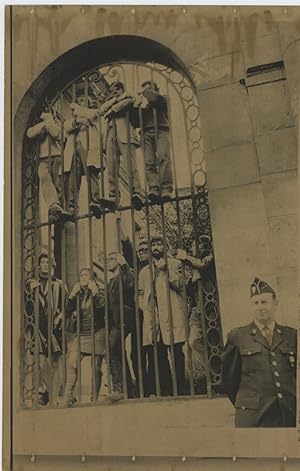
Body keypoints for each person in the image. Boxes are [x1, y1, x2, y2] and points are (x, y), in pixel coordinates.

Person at [222, 277, 297, 428]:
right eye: (256, 303)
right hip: (254, 417)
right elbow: (229, 380)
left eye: (264, 302)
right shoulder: (238, 337)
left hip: (288, 413)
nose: (260, 307)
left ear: (275, 304)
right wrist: (248, 403)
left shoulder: (292, 336)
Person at [138, 234, 187, 396]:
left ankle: (181, 389)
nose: (156, 247)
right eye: (154, 245)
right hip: (154, 317)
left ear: (166, 247)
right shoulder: (145, 271)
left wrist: (166, 271)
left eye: (160, 244)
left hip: (172, 315)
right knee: (158, 355)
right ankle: (165, 390)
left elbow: (181, 285)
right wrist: (143, 306)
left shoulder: (175, 264)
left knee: (177, 354)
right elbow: (140, 293)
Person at [27, 252, 66, 406]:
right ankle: (51, 393)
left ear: (52, 265)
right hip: (38, 328)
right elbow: (27, 306)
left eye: (47, 262)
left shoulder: (58, 283)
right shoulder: (31, 283)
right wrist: (30, 290)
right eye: (42, 262)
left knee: (56, 362)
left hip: (55, 327)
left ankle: (54, 398)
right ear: (38, 265)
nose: (44, 265)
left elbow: (65, 305)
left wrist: (60, 316)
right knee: (42, 363)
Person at [63, 268, 106, 406]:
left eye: (86, 274)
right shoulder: (77, 293)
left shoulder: (99, 290)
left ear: (92, 278)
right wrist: (71, 295)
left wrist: (95, 292)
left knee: (96, 366)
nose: (83, 277)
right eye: (81, 275)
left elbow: (102, 308)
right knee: (72, 363)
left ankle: (94, 398)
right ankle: (68, 396)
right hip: (82, 334)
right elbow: (67, 310)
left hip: (98, 332)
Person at [99, 81, 143, 210]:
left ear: (123, 90)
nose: (115, 92)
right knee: (111, 168)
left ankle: (137, 193)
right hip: (111, 135)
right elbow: (101, 111)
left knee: (131, 166)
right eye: (113, 90)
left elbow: (129, 102)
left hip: (126, 134)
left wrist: (113, 109)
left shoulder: (129, 98)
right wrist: (115, 102)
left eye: (118, 90)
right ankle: (113, 198)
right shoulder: (113, 101)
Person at [26, 110, 71, 223]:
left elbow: (56, 134)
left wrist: (49, 120)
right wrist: (45, 122)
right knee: (45, 180)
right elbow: (30, 133)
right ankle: (54, 206)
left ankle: (60, 211)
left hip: (56, 156)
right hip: (42, 158)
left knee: (58, 185)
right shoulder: (40, 125)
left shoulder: (58, 124)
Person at [64, 95, 103, 218]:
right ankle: (72, 207)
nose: (80, 102)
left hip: (88, 147)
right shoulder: (72, 119)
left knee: (91, 173)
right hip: (74, 149)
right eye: (78, 100)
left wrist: (77, 109)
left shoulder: (94, 112)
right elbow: (66, 127)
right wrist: (78, 121)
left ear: (88, 103)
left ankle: (95, 201)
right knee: (73, 179)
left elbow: (91, 116)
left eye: (83, 101)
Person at [106, 251, 136, 400]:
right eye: (107, 259)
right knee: (118, 353)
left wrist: (124, 264)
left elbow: (131, 284)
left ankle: (118, 388)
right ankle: (129, 390)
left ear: (118, 260)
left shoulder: (126, 272)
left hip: (124, 319)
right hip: (114, 322)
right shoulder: (110, 281)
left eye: (111, 259)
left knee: (111, 350)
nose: (107, 261)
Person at [138, 80, 173, 203]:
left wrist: (143, 91)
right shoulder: (144, 107)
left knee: (163, 157)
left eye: (148, 89)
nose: (145, 93)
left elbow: (154, 97)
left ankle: (166, 189)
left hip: (162, 130)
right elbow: (136, 121)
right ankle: (154, 189)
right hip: (146, 133)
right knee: (149, 162)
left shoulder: (163, 99)